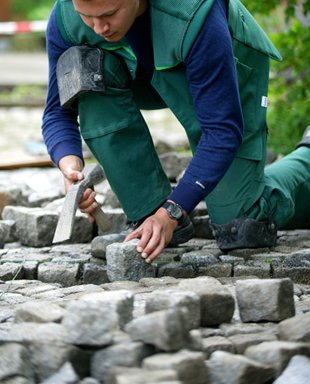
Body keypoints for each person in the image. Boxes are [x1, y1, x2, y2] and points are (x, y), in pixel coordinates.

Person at [42, 0, 310, 263]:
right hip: (144, 72)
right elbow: (57, 111)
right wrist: (69, 164)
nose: (99, 28)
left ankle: (306, 159)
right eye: (87, 17)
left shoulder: (194, 10)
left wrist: (173, 210)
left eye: (110, 14)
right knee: (83, 65)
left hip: (226, 64)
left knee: (242, 225)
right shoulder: (65, 16)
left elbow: (222, 131)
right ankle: (147, 213)